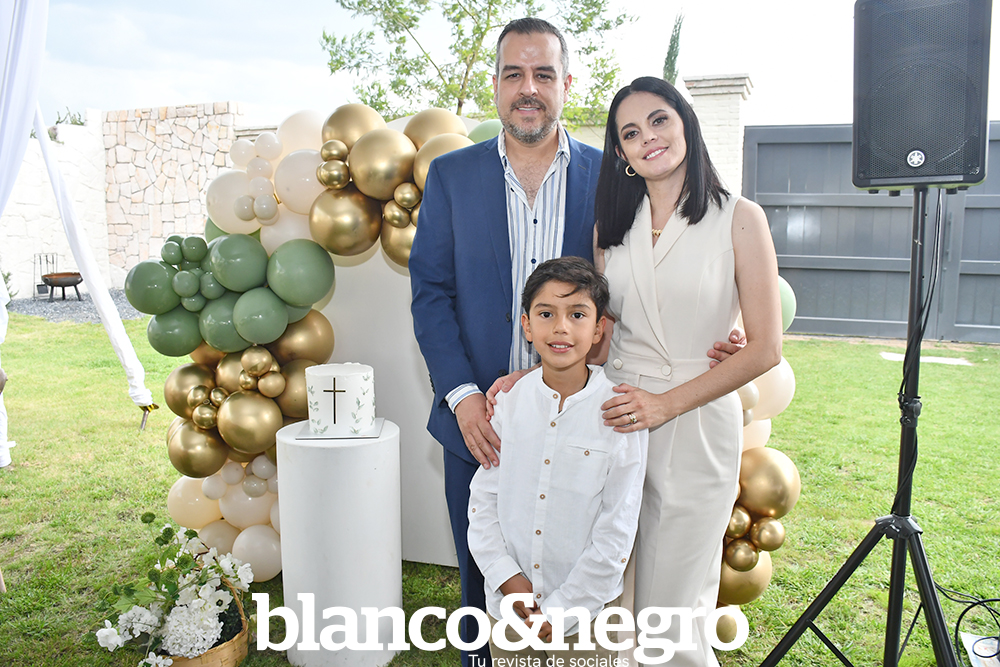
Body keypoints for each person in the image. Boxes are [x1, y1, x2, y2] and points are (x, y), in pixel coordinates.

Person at [409, 18, 741, 666]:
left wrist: (721, 324)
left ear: (566, 83)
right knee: (485, 578)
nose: (528, 88)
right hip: (481, 422)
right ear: (496, 85)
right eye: (513, 74)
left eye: (543, 74)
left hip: (587, 421)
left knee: (588, 577)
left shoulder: (612, 176)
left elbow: (658, 266)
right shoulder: (450, 176)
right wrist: (464, 397)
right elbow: (430, 295)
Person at [593, 77, 782, 666]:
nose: (647, 138)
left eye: (659, 120)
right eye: (630, 132)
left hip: (694, 423)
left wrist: (666, 404)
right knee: (613, 598)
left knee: (671, 611)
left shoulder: (740, 218)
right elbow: (602, 336)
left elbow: (765, 349)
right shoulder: (610, 226)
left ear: (686, 125)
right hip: (616, 418)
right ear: (621, 153)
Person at [467, 257, 647, 665]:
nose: (561, 327)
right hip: (510, 610)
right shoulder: (508, 404)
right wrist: (509, 581)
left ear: (599, 328)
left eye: (577, 314)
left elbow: (618, 526)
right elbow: (483, 503)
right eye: (546, 314)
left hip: (588, 616)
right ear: (527, 326)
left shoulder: (619, 413)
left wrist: (564, 607)